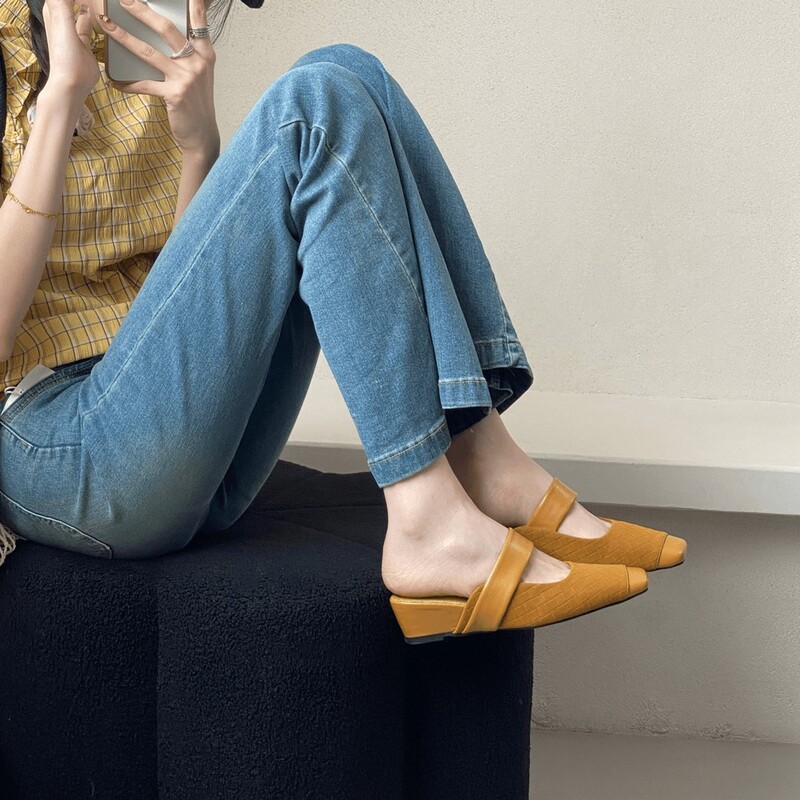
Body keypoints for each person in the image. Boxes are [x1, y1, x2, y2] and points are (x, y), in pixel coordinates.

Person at [0, 0, 685, 643]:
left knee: (349, 71)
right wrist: (61, 97)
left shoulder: (130, 50)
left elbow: (176, 303)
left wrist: (197, 143)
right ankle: (425, 518)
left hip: (168, 439)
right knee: (310, 110)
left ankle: (477, 446)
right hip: (53, 447)